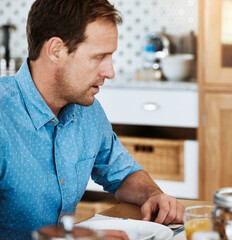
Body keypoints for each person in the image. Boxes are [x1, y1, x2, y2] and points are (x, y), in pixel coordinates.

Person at [0, 0, 184, 239]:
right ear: (56, 50)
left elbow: (123, 173)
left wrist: (152, 195)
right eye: (99, 57)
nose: (110, 72)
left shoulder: (87, 111)